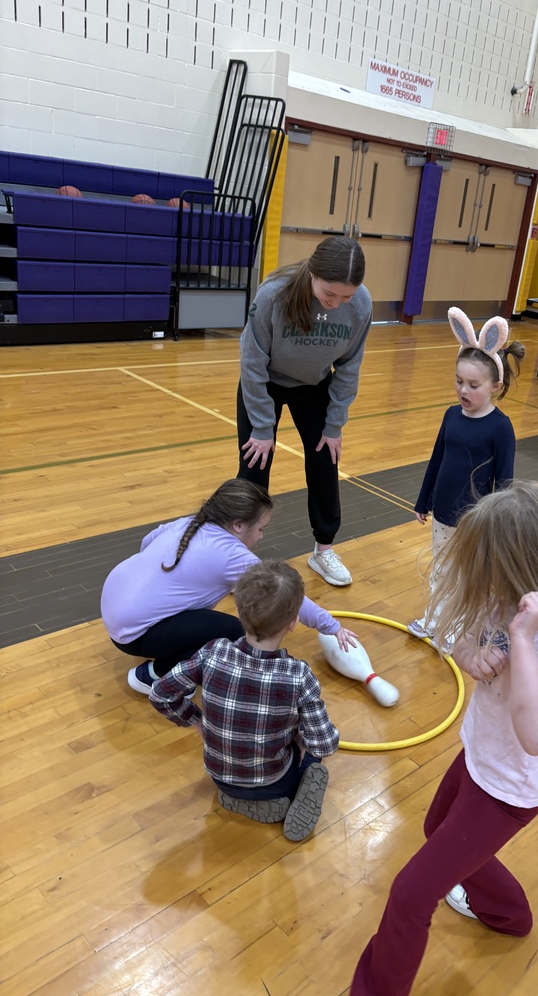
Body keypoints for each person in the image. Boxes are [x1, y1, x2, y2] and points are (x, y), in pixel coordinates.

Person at [351, 482, 538, 996]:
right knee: (434, 825)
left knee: (410, 895)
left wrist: (524, 641)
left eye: (486, 567)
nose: (478, 580)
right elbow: (468, 642)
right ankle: (509, 913)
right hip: (480, 758)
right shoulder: (500, 602)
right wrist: (468, 652)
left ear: (517, 567)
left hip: (509, 790)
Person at [100, 479, 357, 695]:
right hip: (133, 632)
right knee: (236, 632)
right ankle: (153, 675)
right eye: (260, 529)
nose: (261, 536)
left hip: (113, 604)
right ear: (238, 525)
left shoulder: (192, 522)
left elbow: (148, 541)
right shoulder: (232, 556)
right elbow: (287, 595)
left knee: (207, 623)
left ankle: (162, 650)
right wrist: (332, 626)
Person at [149, 560, 339, 842]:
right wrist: (300, 737)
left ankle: (239, 800)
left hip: (220, 777)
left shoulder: (212, 652)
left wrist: (197, 720)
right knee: (314, 752)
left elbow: (160, 693)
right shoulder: (299, 675)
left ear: (238, 611)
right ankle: (295, 791)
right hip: (275, 782)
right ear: (293, 623)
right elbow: (325, 743)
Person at [237, 236, 372, 587]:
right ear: (312, 273)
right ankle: (238, 556)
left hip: (314, 386)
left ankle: (323, 550)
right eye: (330, 294)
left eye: (347, 296)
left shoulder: (361, 305)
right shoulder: (273, 294)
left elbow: (349, 367)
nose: (338, 302)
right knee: (254, 464)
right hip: (264, 382)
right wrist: (263, 428)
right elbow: (252, 362)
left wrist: (334, 424)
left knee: (326, 460)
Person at [408, 306, 525, 641]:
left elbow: (505, 482)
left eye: (474, 385)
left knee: (462, 575)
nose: (464, 390)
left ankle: (454, 628)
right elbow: (436, 460)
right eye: (459, 381)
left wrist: (496, 523)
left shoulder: (501, 428)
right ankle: (434, 620)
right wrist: (423, 499)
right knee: (440, 570)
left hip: (473, 520)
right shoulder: (451, 416)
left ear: (496, 386)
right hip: (443, 513)